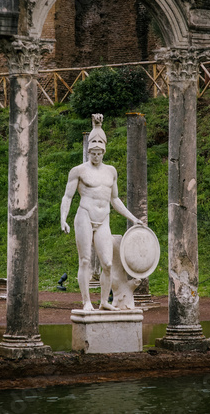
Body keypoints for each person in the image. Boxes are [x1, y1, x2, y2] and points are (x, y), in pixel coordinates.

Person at [61, 114, 142, 311]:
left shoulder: (111, 171)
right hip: (85, 216)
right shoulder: (78, 171)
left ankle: (104, 301)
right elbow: (68, 196)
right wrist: (63, 218)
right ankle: (87, 302)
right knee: (85, 260)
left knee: (107, 263)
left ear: (104, 151)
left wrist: (133, 218)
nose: (95, 156)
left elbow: (115, 199)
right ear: (89, 151)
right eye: (92, 152)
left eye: (99, 152)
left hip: (103, 219)